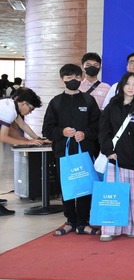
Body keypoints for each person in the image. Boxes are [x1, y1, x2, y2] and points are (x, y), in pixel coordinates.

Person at [42, 64, 101, 236]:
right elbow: (47, 130)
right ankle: (70, 221)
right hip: (63, 154)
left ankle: (83, 222)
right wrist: (62, 132)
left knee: (85, 186)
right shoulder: (56, 102)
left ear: (81, 78)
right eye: (68, 77)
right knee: (67, 187)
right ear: (62, 80)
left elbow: (98, 126)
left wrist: (85, 133)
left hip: (85, 152)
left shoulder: (89, 101)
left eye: (76, 77)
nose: (73, 80)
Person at [98, 72, 134, 241]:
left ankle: (132, 228)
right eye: (128, 83)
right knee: (112, 196)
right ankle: (109, 228)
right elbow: (103, 131)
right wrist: (108, 151)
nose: (131, 87)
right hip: (115, 158)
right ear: (121, 85)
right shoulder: (112, 106)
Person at [0, 86, 46, 216]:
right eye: (31, 109)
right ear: (24, 103)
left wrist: (37, 139)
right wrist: (28, 142)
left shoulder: (11, 105)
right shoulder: (9, 111)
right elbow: (3, 137)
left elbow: (22, 125)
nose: (30, 112)